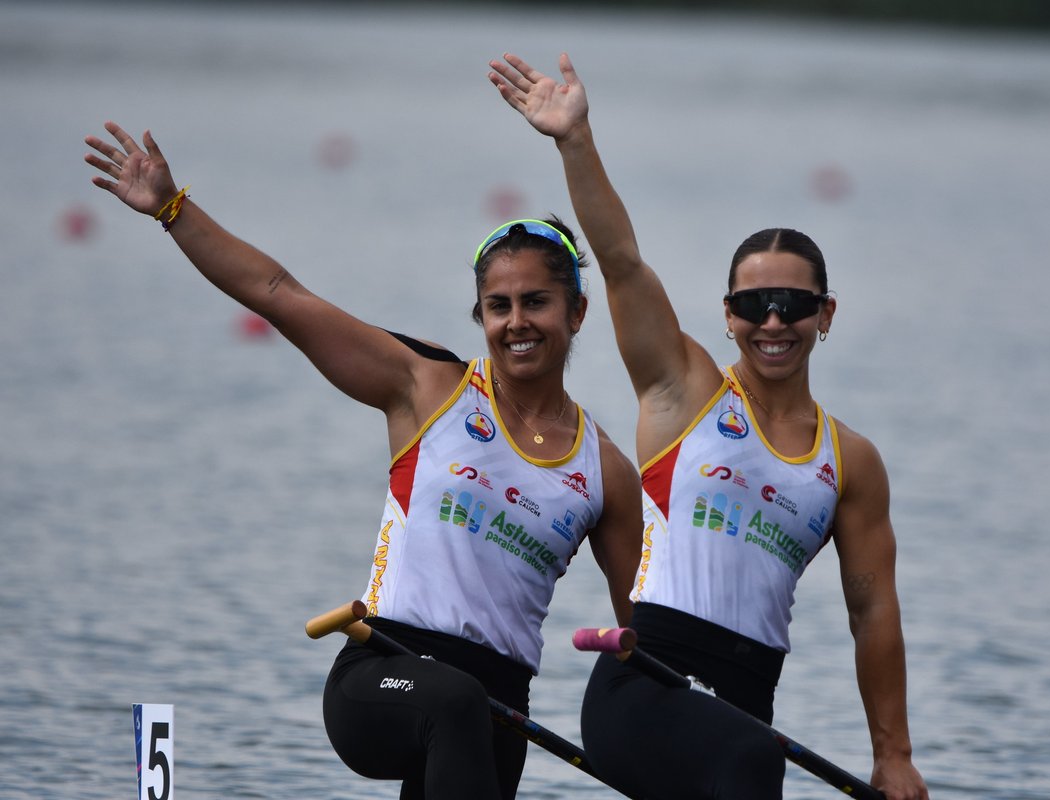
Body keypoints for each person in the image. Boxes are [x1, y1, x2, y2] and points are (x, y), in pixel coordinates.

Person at [84, 121, 643, 800]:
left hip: (498, 712)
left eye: (536, 303)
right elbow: (278, 293)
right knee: (454, 700)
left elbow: (642, 636)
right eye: (498, 306)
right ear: (481, 316)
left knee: (467, 707)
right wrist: (173, 209)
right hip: (380, 674)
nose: (516, 322)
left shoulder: (605, 469)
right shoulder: (426, 387)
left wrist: (671, 733)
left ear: (577, 312)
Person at [487, 53, 930, 800]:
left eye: (794, 304)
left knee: (746, 760)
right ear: (728, 317)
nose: (775, 321)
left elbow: (872, 609)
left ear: (826, 316)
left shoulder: (852, 461)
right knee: (749, 765)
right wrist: (575, 141)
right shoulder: (682, 390)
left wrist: (894, 755)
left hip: (744, 709)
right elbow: (622, 263)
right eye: (754, 306)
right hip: (645, 686)